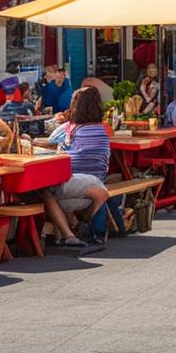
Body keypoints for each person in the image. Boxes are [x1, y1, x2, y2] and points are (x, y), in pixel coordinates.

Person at [48, 87, 110, 245]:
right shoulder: (103, 129)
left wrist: (61, 122)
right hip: (99, 179)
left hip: (75, 180)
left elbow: (51, 139)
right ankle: (78, 223)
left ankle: (70, 230)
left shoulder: (71, 129)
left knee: (48, 193)